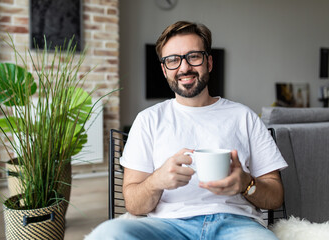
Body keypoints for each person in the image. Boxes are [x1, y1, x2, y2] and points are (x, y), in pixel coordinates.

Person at [87, 21, 288, 240]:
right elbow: (133, 203)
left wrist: (246, 183)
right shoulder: (148, 120)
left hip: (235, 225)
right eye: (173, 60)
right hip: (168, 227)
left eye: (193, 56)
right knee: (107, 234)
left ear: (209, 62)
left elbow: (275, 196)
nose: (184, 68)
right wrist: (157, 181)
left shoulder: (244, 117)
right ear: (164, 70)